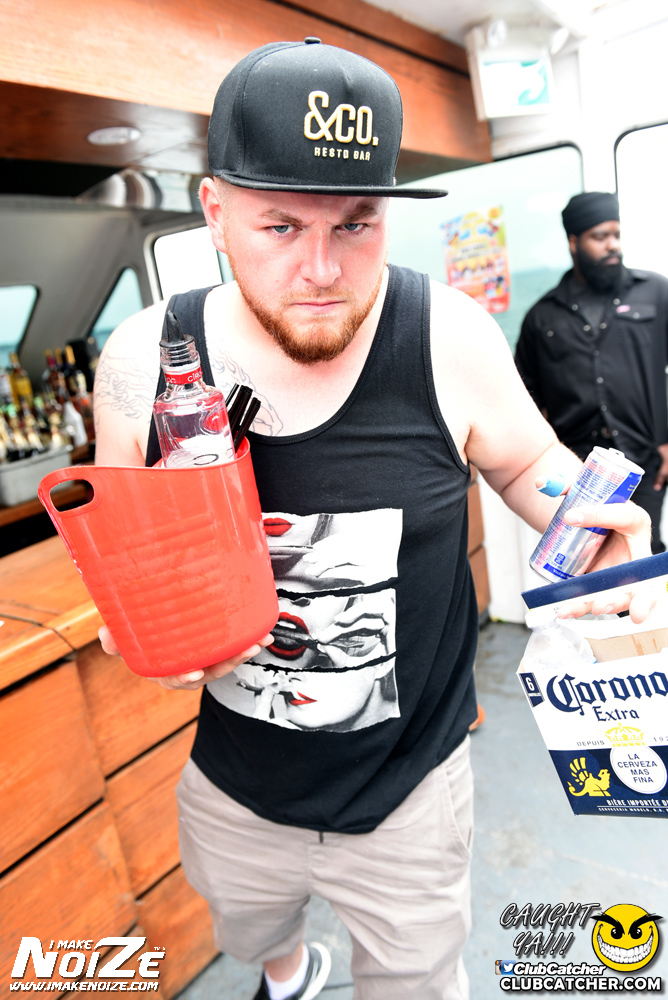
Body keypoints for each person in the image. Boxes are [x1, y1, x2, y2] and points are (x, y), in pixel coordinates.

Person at [94, 41, 651, 1000]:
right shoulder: (145, 358)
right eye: (279, 226)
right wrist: (141, 621)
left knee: (417, 978)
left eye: (356, 224)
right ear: (215, 211)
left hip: (410, 789)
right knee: (247, 925)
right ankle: (290, 972)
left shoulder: (446, 334)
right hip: (235, 776)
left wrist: (596, 523)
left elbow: (529, 462)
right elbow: (129, 542)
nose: (322, 270)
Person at [515, 191, 668, 553]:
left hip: (644, 456)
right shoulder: (542, 317)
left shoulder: (654, 292)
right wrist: (543, 458)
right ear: (574, 242)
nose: (612, 245)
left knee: (644, 551)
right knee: (586, 558)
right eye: (599, 237)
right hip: (578, 468)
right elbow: (523, 399)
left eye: (616, 234)